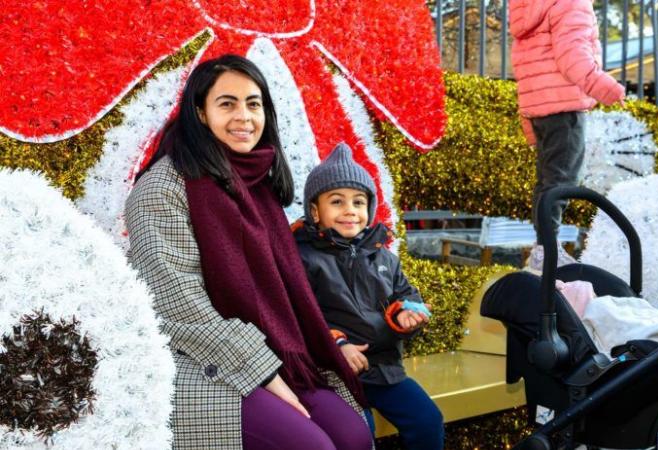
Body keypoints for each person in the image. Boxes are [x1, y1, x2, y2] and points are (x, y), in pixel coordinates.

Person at [125, 55, 373, 450]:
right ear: (201, 113)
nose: (244, 116)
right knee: (313, 447)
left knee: (354, 436)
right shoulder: (162, 188)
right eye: (227, 103)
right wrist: (267, 375)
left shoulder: (258, 183)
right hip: (199, 364)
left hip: (277, 352)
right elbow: (178, 306)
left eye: (253, 103)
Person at [293, 142, 445, 450]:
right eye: (337, 201)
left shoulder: (383, 256)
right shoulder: (304, 257)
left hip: (385, 370)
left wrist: (406, 314)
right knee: (360, 437)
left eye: (359, 202)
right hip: (333, 375)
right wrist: (338, 345)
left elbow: (406, 293)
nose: (350, 210)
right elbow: (301, 315)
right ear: (315, 211)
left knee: (428, 422)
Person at [509, 0, 626, 270]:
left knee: (548, 181)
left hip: (541, 107)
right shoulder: (570, 3)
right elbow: (572, 56)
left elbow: (526, 66)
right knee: (561, 181)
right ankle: (548, 250)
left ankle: (544, 247)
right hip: (565, 104)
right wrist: (605, 87)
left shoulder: (530, 8)